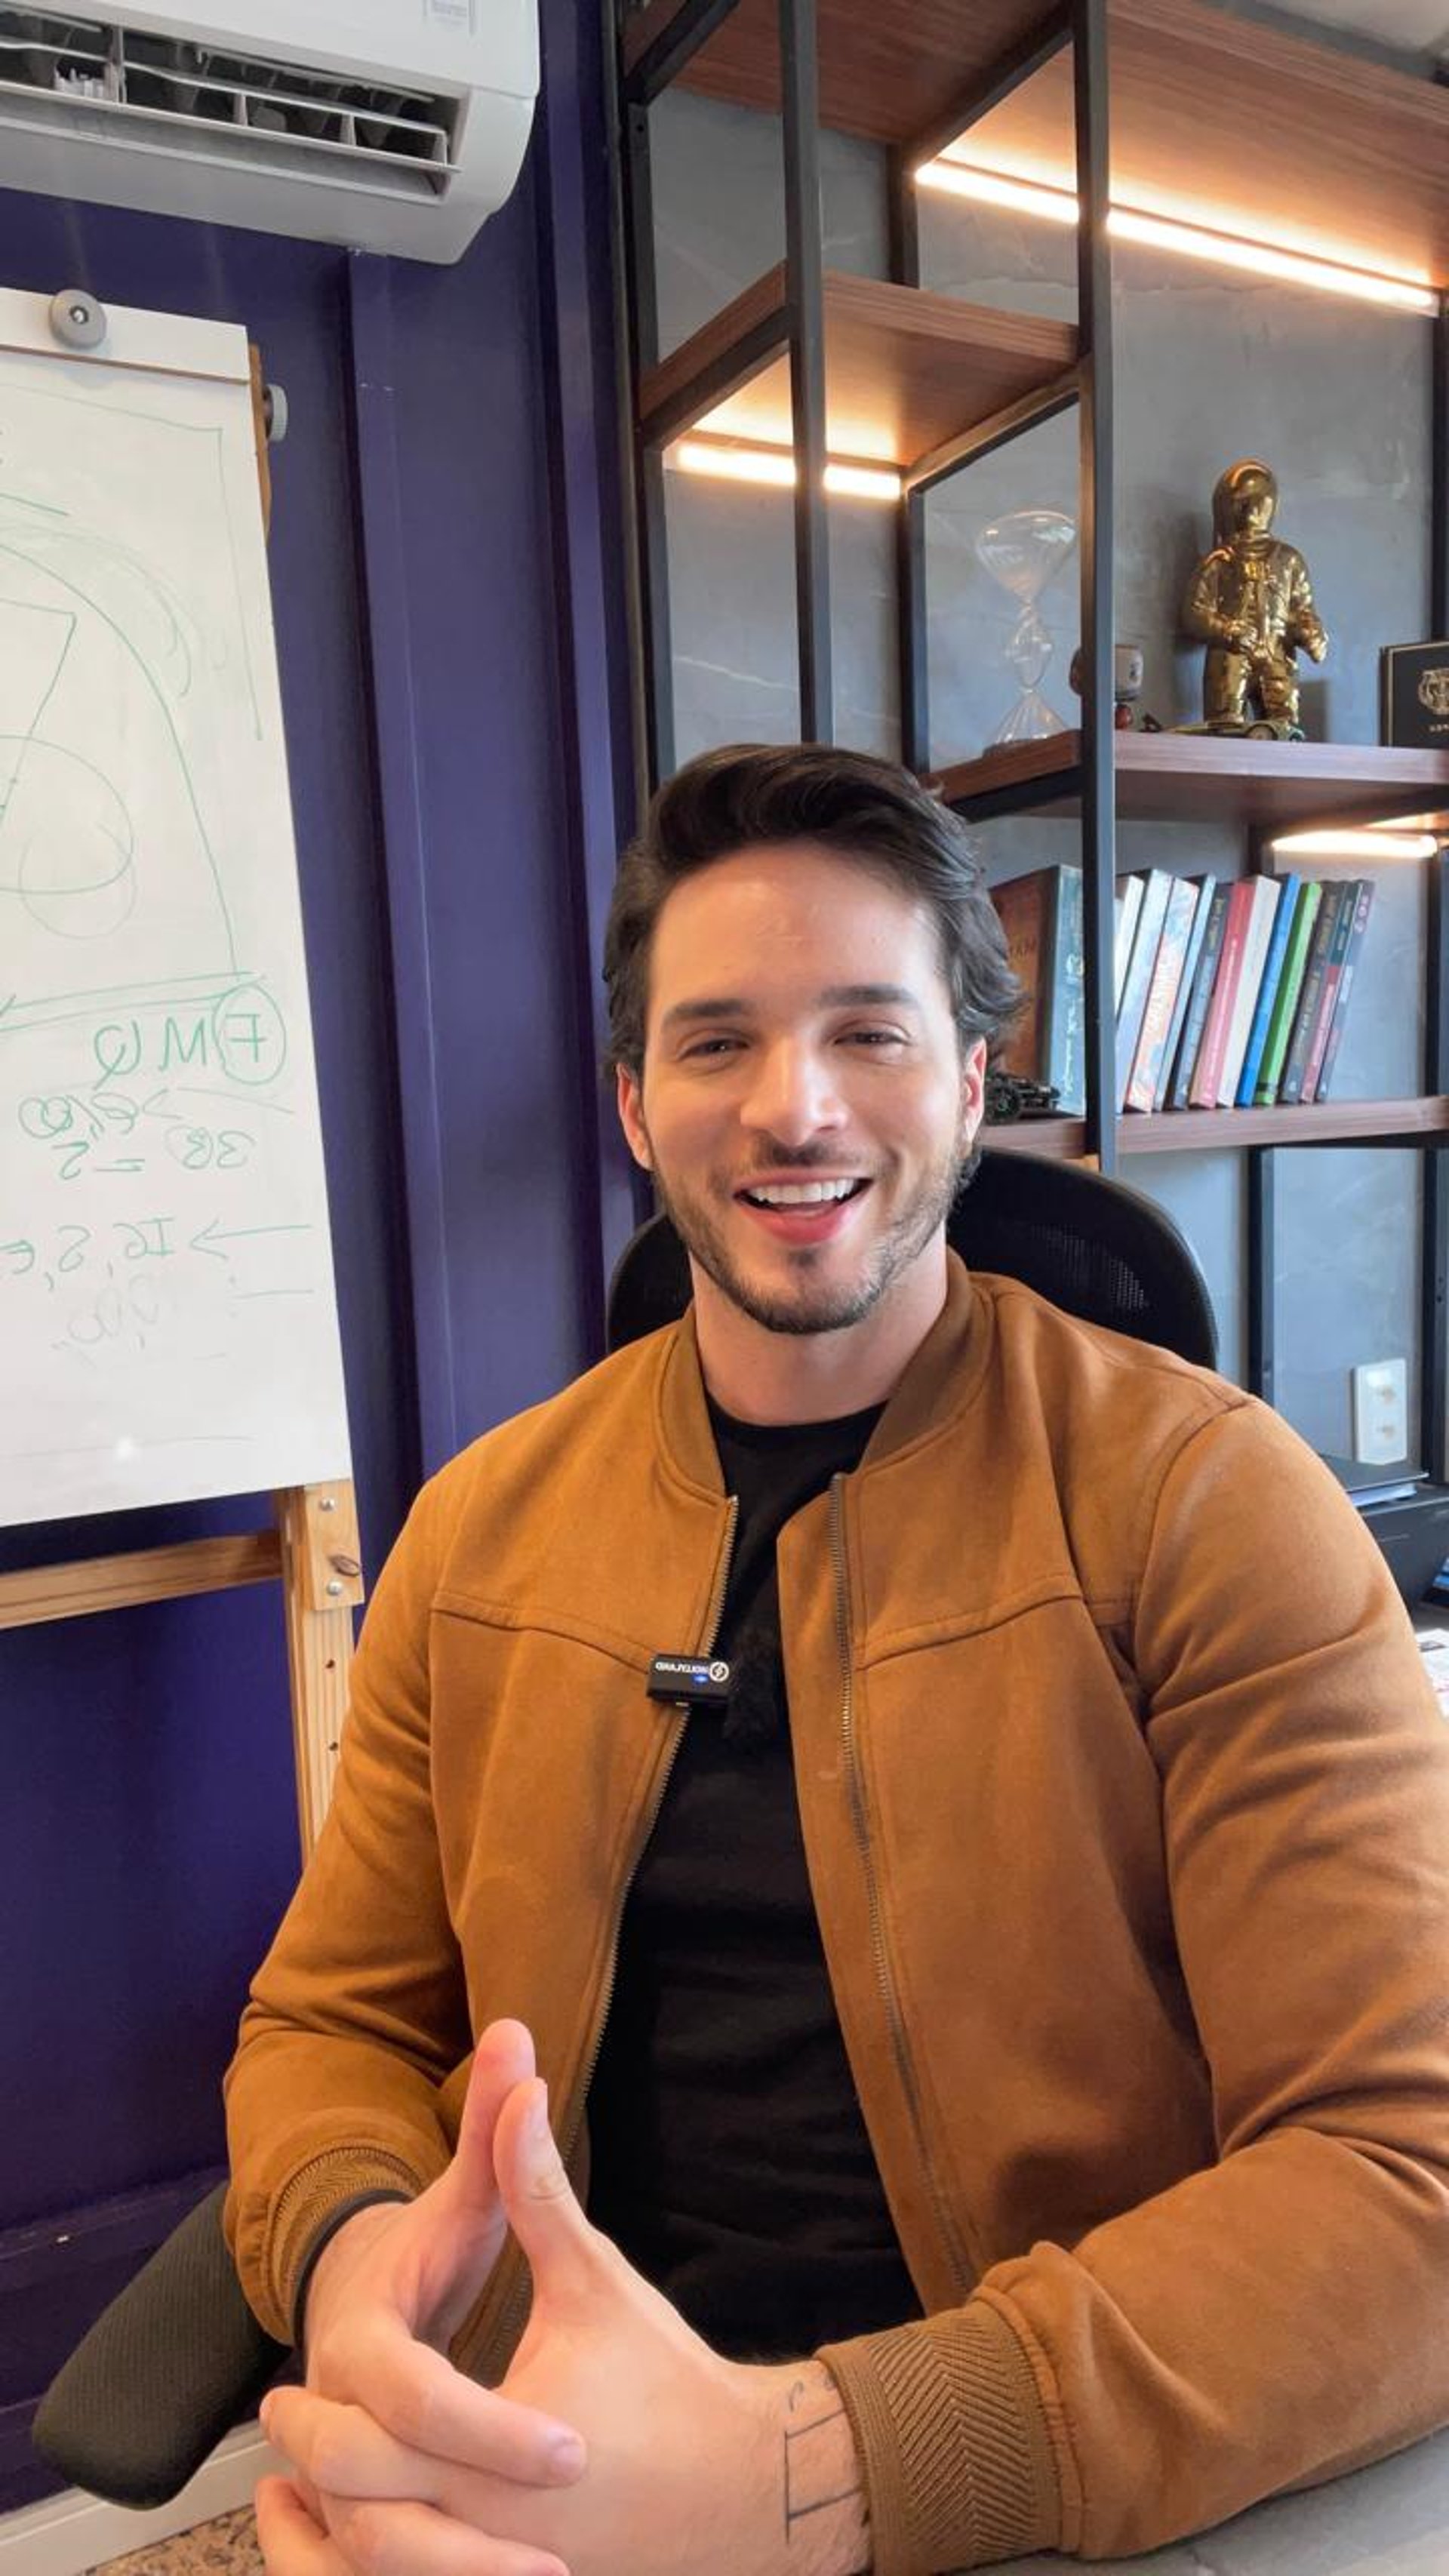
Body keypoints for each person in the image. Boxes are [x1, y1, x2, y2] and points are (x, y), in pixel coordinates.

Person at [227, 743, 1449, 2576]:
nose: (792, 1106)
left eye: (868, 1032)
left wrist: (817, 2463)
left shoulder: (1208, 1505)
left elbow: (1404, 2167)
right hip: (548, 2466)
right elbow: (331, 2024)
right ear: (636, 1104)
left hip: (1030, 2484)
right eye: (715, 1042)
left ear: (970, 1084)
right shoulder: (481, 1529)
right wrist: (357, 2276)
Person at [1181, 457, 1328, 735]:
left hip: (1278, 654)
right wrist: (1228, 629)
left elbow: (1302, 610)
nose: (1251, 513)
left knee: (1285, 733)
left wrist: (1311, 633)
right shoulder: (1220, 561)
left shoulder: (1288, 560)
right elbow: (1194, 613)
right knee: (1223, 729)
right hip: (1231, 654)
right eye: (1245, 505)